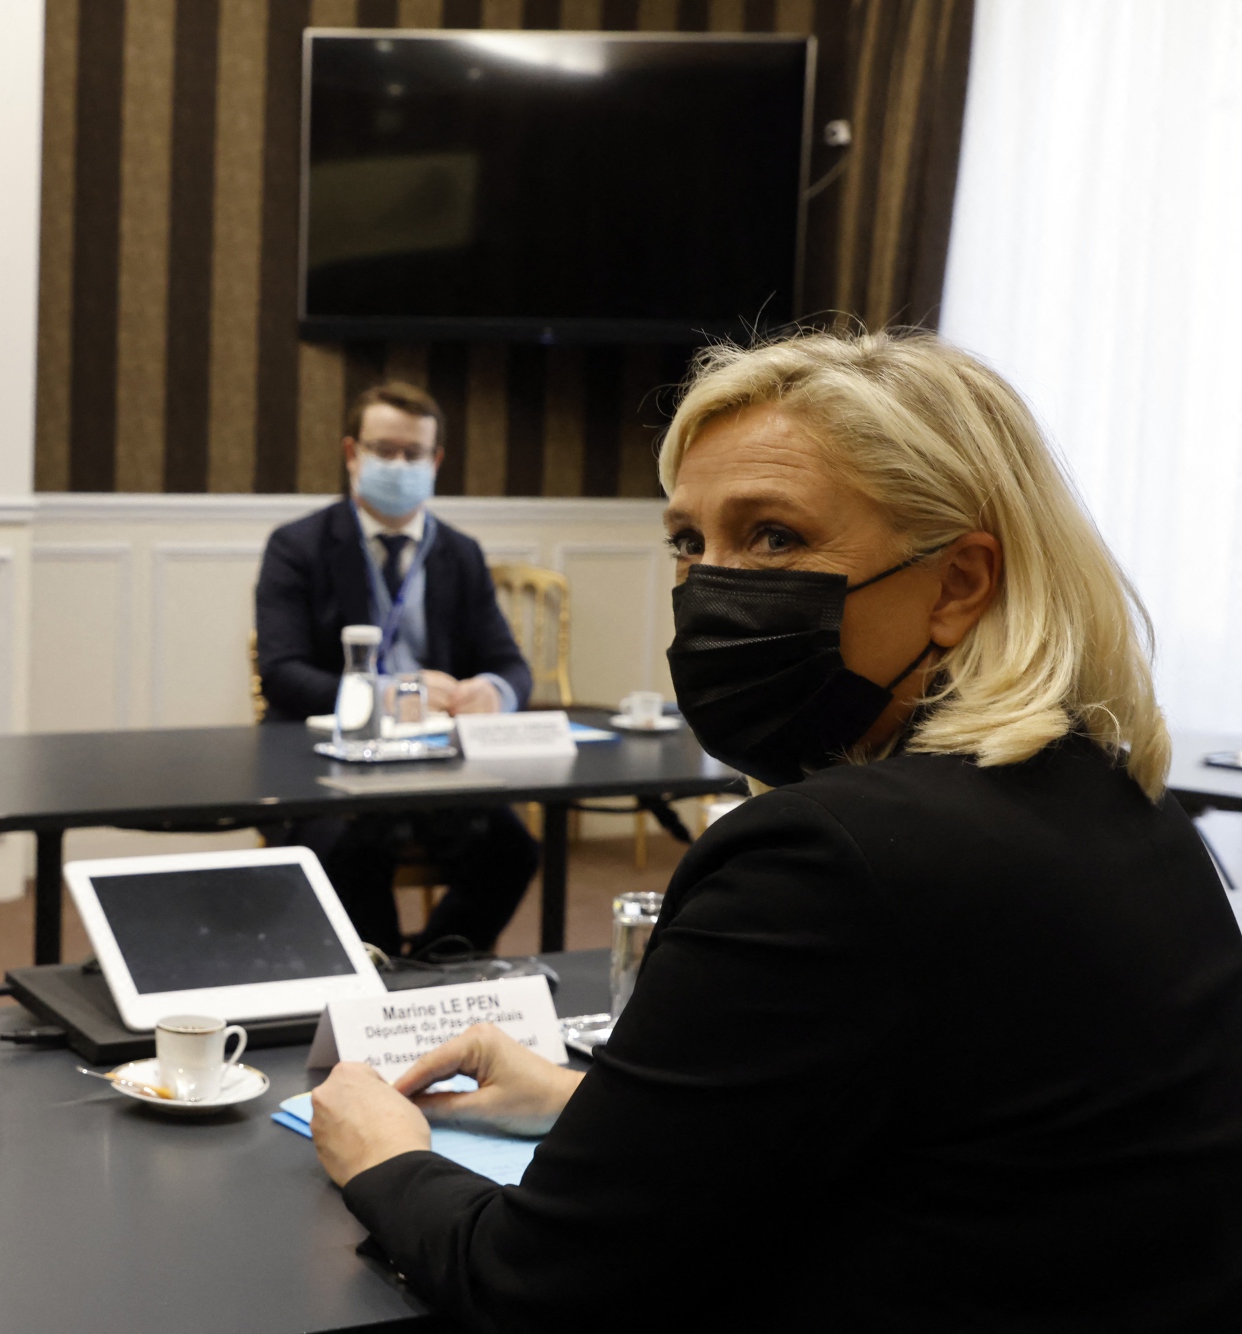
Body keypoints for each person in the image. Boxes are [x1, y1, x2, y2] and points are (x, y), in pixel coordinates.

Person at [307, 331, 1242, 1329]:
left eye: (774, 537)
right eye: (687, 541)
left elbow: (534, 1284)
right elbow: (947, 1128)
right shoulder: (1130, 803)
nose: (710, 585)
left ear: (959, 582)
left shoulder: (823, 858)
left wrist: (387, 1152)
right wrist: (589, 1106)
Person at [255, 382, 538, 956]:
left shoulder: (459, 551)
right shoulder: (297, 546)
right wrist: (385, 696)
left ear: (435, 462)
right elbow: (282, 672)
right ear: (351, 454)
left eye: (413, 454)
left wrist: (493, 691)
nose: (399, 464)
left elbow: (509, 663)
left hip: (436, 770)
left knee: (513, 848)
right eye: (384, 450)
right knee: (349, 852)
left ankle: (436, 964)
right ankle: (376, 977)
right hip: (327, 770)